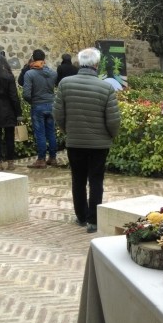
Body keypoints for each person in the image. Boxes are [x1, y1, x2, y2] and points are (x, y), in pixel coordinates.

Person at [53, 47, 121, 232]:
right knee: (96, 180)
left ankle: (81, 216)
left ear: (80, 63)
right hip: (99, 144)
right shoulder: (106, 87)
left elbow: (58, 113)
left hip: (75, 142)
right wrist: (110, 136)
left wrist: (68, 130)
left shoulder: (65, 84)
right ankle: (93, 220)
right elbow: (113, 120)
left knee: (78, 179)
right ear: (96, 65)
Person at [23, 49, 58, 168]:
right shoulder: (53, 73)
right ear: (44, 59)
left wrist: (33, 102)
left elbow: (26, 94)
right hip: (51, 105)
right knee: (51, 132)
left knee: (40, 134)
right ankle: (53, 158)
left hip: (38, 106)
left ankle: (41, 160)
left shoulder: (29, 74)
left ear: (33, 58)